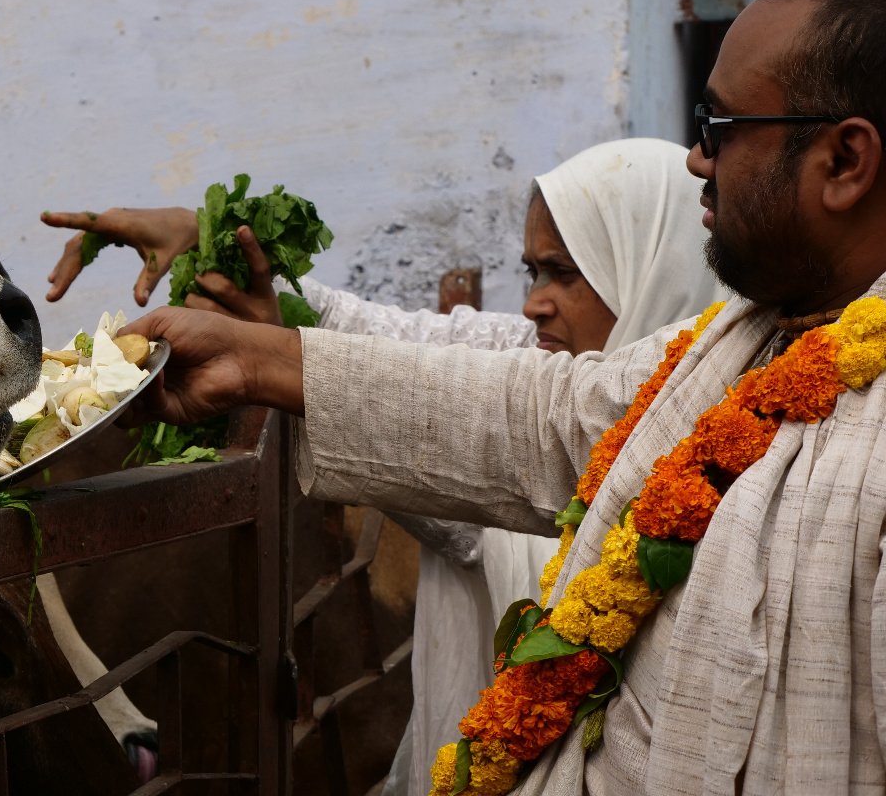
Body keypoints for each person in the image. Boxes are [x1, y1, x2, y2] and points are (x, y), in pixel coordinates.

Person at [120, 0, 886, 794]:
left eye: (721, 127)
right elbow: (544, 416)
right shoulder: (745, 343)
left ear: (845, 161)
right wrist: (253, 359)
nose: (699, 161)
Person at [43, 139, 719, 795]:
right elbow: (406, 356)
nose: (533, 302)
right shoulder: (537, 373)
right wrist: (211, 239)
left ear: (653, 267)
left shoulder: (733, 451)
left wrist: (262, 352)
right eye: (532, 272)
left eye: (564, 273)